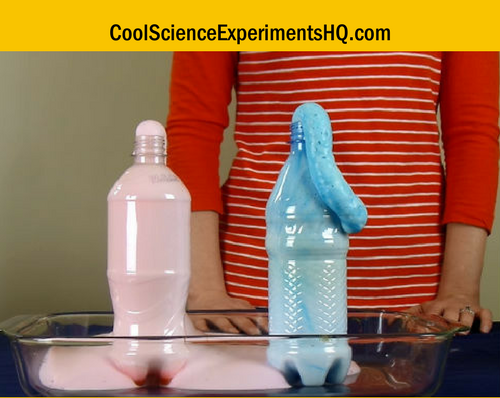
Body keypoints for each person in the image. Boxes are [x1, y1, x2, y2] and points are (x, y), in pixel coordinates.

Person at [166, 50, 499, 330]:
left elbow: (472, 134)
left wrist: (459, 289)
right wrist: (204, 291)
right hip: (260, 301)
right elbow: (194, 128)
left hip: (417, 310)